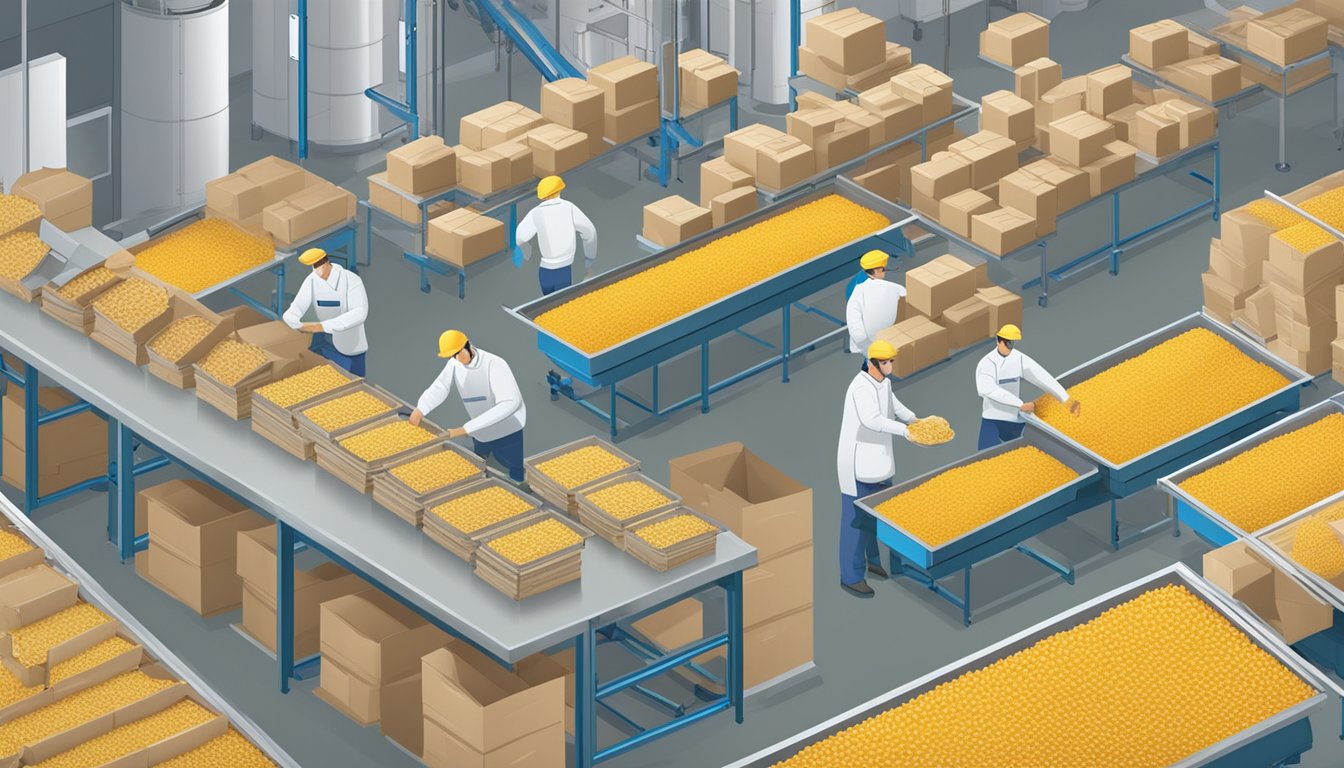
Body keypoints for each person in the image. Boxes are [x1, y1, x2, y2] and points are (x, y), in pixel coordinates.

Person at [836, 340, 924, 598]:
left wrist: (915, 420)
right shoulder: (859, 388)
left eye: (891, 361)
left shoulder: (884, 382)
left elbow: (894, 406)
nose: (890, 366)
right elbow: (872, 420)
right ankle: (850, 576)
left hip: (880, 463)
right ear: (872, 363)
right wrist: (905, 431)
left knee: (877, 516)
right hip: (858, 467)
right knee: (855, 523)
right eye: (885, 362)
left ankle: (873, 562)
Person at [409, 331, 528, 484]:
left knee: (512, 466)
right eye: (453, 356)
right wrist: (421, 409)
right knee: (477, 462)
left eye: (459, 353)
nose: (458, 359)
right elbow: (441, 386)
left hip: (506, 429)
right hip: (478, 429)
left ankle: (519, 489)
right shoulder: (455, 363)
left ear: (468, 345)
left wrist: (465, 429)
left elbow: (510, 403)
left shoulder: (495, 364)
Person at [975, 324, 1080, 450]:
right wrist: (1019, 404)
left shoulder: (1018, 358)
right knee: (985, 457)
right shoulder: (986, 363)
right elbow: (989, 390)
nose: (1010, 347)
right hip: (992, 419)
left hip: (1014, 419)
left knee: (1039, 449)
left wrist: (1066, 399)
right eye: (1007, 343)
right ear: (999, 341)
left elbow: (1040, 376)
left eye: (1012, 343)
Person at [282, 248, 369, 376]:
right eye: (313, 267)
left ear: (326, 263)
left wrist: (322, 326)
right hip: (322, 343)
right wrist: (295, 323)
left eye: (318, 266)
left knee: (353, 382)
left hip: (348, 345)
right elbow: (296, 307)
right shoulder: (312, 280)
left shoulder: (351, 280)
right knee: (324, 378)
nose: (316, 270)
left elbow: (359, 313)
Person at [515, 175, 598, 296]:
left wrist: (526, 251)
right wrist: (589, 259)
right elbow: (590, 232)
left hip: (544, 272)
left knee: (548, 303)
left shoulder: (535, 212)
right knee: (561, 305)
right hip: (563, 270)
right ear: (559, 190)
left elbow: (520, 237)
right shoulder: (569, 208)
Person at [845, 250, 906, 365]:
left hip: (868, 344)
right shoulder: (895, 288)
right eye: (883, 269)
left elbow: (856, 330)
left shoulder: (856, 291)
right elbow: (905, 298)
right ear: (878, 270)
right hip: (884, 339)